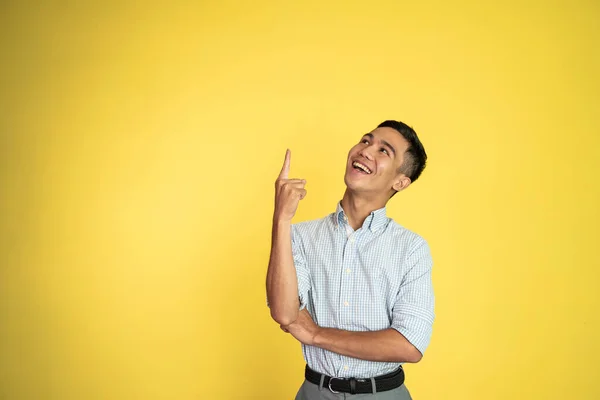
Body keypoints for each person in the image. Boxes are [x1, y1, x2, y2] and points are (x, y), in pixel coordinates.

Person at [266, 120, 434, 399]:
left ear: (400, 181)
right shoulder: (301, 235)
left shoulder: (411, 248)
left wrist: (316, 335)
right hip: (314, 392)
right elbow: (284, 313)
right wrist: (281, 218)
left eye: (384, 151)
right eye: (366, 141)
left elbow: (408, 345)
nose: (366, 150)